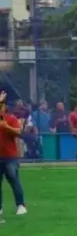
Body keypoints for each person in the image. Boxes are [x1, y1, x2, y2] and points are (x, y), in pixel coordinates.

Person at [0, 91, 26, 219]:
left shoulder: (11, 119)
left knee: (14, 179)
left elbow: (19, 132)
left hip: (10, 156)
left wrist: (6, 127)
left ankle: (21, 205)